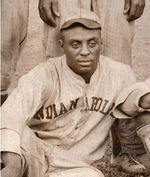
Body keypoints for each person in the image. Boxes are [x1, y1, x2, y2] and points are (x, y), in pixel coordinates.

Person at [1, 9, 145, 177]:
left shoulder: (120, 74)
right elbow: (10, 115)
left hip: (73, 166)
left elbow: (138, 96)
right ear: (62, 45)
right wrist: (12, 164)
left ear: (101, 43)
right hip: (33, 152)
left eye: (92, 43)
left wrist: (142, 98)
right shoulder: (45, 73)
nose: (85, 52)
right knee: (14, 135)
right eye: (75, 44)